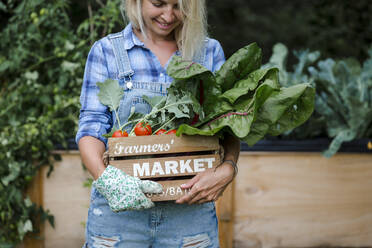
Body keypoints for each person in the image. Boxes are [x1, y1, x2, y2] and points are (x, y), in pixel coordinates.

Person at [76, 0, 240, 247]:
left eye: (178, 6)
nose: (168, 15)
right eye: (159, 3)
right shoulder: (107, 50)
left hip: (189, 215)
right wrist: (106, 179)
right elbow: (91, 127)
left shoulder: (207, 52)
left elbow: (227, 125)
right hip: (120, 218)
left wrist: (228, 168)